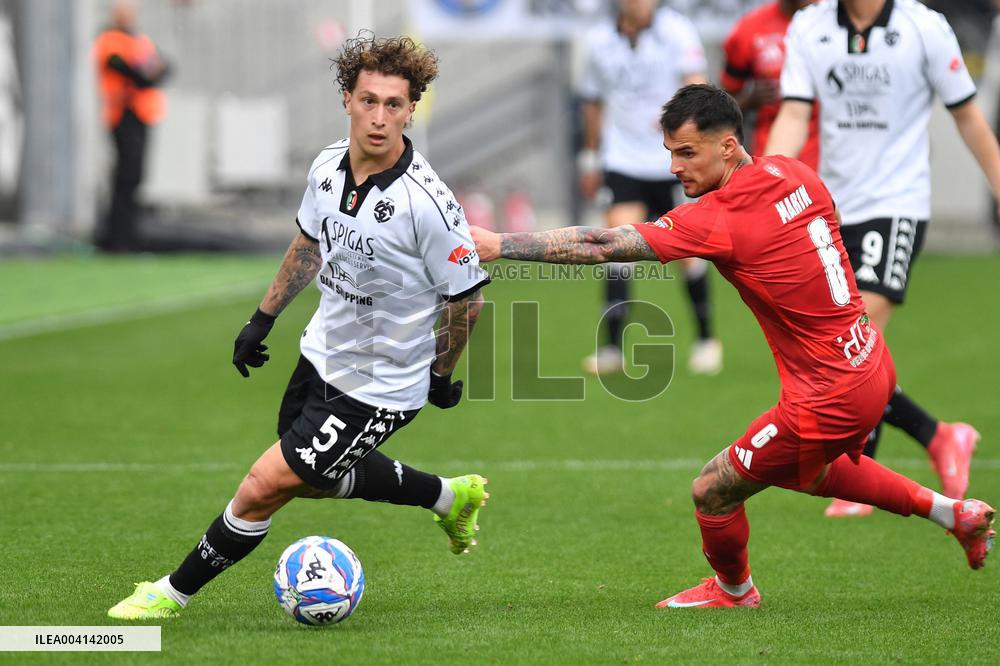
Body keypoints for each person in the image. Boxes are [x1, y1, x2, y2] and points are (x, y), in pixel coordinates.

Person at [471, 84, 994, 608]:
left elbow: (604, 242)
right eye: (670, 153)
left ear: (726, 147)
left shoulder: (720, 216)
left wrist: (501, 244)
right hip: (872, 363)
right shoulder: (795, 172)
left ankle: (734, 590)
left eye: (686, 152)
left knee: (712, 490)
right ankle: (955, 514)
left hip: (829, 393)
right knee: (810, 470)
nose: (675, 167)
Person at [108, 34, 492, 619]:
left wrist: (438, 375)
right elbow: (309, 245)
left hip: (381, 383)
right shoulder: (326, 165)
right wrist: (261, 319)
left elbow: (467, 301)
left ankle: (169, 592)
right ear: (347, 98)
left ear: (413, 109)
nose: (380, 117)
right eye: (369, 100)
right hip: (322, 353)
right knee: (309, 479)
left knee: (265, 484)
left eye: (394, 104)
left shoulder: (429, 206)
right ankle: (448, 496)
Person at [766, 0, 1000, 516]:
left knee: (860, 332)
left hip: (897, 205)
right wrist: (767, 184)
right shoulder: (810, 26)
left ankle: (860, 475)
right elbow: (795, 112)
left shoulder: (924, 27)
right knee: (837, 345)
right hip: (830, 210)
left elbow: (968, 118)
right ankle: (938, 435)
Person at [576, 0, 722, 376]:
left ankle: (706, 340)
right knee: (616, 248)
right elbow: (592, 103)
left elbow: (697, 88)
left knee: (690, 255)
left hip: (670, 162)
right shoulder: (597, 41)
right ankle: (611, 348)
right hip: (622, 159)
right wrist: (590, 158)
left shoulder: (676, 31)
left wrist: (692, 139)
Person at [92, 0, 170, 253]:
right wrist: (148, 73)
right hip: (124, 114)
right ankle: (117, 237)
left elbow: (165, 68)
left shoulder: (139, 41)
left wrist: (149, 73)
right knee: (124, 177)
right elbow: (132, 71)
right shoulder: (110, 40)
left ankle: (126, 234)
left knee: (134, 177)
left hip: (142, 116)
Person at [721, 0, 819, 170]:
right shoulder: (749, 28)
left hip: (828, 153)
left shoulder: (833, 21)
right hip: (771, 150)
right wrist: (749, 100)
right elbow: (724, 103)